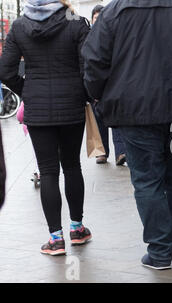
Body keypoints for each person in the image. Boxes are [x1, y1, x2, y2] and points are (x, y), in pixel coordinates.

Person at [82, 0, 172, 270]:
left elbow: (94, 61)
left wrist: (99, 95)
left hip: (134, 110)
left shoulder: (114, 12)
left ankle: (159, 252)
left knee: (148, 181)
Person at [0, 0, 92, 256]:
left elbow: (5, 71)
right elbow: (90, 66)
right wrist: (82, 93)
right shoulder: (75, 22)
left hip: (38, 110)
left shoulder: (19, 26)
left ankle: (55, 239)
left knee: (48, 171)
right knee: (72, 165)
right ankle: (77, 229)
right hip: (72, 106)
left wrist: (28, 91)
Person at [90, 4, 127, 166]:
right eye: (95, 18)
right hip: (97, 85)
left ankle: (121, 152)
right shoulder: (88, 36)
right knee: (98, 119)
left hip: (114, 85)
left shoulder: (114, 35)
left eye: (100, 17)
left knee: (116, 118)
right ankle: (102, 152)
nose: (98, 21)